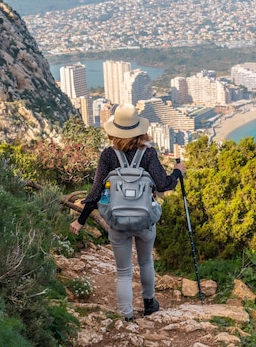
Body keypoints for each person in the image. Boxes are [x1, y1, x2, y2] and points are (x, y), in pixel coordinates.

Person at [70, 104, 185, 321]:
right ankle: (150, 304)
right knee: (146, 263)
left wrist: (81, 220)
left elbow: (94, 192)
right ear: (140, 130)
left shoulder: (107, 156)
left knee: (123, 271)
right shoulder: (148, 154)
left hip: (117, 222)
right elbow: (163, 185)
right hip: (145, 221)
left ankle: (127, 316)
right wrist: (178, 173)